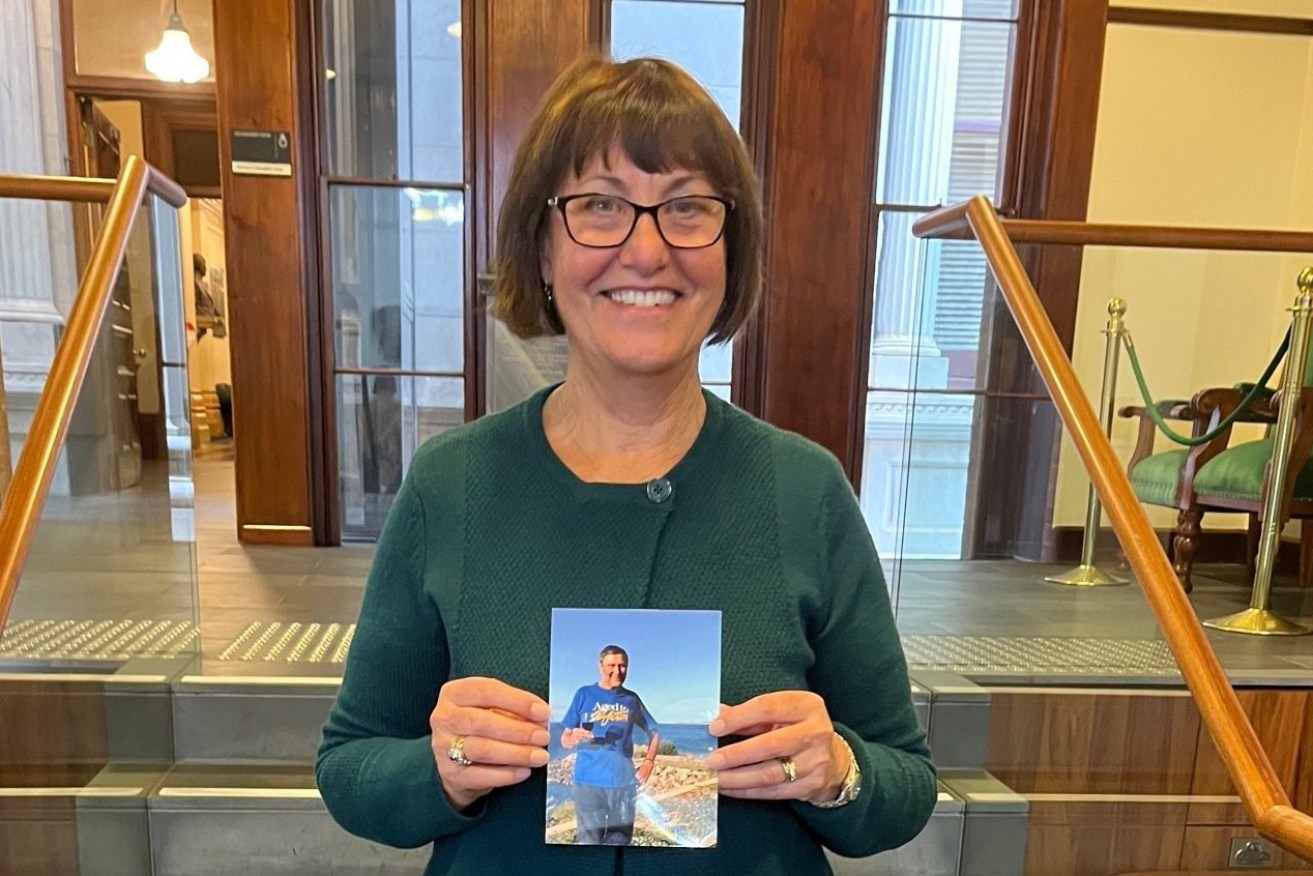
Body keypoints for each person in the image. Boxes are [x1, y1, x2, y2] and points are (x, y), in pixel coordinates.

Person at [317, 54, 937, 875]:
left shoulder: (803, 490)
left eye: (685, 208)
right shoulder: (452, 483)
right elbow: (351, 767)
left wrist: (838, 771)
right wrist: (438, 769)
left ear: (729, 250)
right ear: (541, 250)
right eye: (600, 206)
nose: (646, 251)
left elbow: (904, 784)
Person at [559, 645, 660, 845]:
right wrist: (574, 737)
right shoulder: (584, 694)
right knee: (589, 843)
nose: (618, 671)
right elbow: (565, 739)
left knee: (620, 844)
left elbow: (654, 732)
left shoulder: (631, 699)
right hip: (588, 784)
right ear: (600, 666)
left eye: (622, 666)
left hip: (624, 784)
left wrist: (649, 762)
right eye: (611, 665)